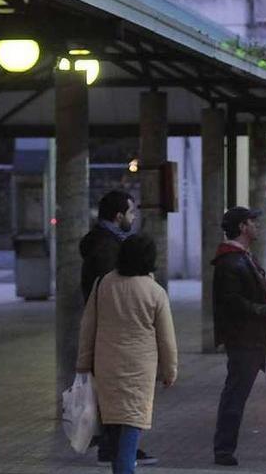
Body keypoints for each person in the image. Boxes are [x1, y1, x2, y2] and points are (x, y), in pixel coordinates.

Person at [76, 234, 178, 474]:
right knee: (131, 427)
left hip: (106, 367)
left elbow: (87, 326)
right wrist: (169, 370)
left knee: (113, 426)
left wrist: (83, 363)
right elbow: (166, 339)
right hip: (139, 370)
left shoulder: (102, 284)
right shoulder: (155, 291)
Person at [79, 190, 157, 466]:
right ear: (118, 215)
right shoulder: (108, 249)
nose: (133, 218)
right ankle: (116, 451)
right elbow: (101, 299)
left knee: (117, 397)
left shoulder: (108, 243)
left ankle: (117, 448)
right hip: (115, 335)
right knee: (121, 398)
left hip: (110, 336)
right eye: (131, 213)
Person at [211, 206, 266, 467]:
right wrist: (265, 310)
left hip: (258, 336)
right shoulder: (230, 261)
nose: (258, 226)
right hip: (246, 340)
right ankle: (223, 450)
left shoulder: (241, 257)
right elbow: (232, 302)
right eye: (253, 222)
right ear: (243, 227)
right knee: (235, 394)